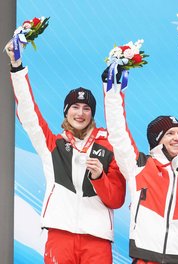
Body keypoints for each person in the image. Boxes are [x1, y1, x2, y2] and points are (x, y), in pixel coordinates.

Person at [5, 41, 126, 264]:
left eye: (86, 108)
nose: (80, 113)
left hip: (97, 240)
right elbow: (28, 114)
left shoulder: (109, 146)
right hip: (60, 236)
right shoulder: (53, 145)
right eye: (75, 107)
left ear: (92, 114)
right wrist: (17, 66)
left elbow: (117, 199)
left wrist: (100, 177)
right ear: (66, 111)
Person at [103, 70, 178, 264]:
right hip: (147, 257)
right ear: (157, 140)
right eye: (170, 133)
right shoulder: (139, 166)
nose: (177, 138)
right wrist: (112, 93)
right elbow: (118, 133)